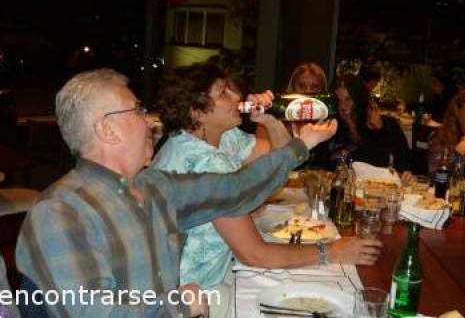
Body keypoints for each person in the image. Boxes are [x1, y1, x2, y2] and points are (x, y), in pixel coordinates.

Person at [15, 69, 336, 318]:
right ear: (106, 129)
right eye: (137, 110)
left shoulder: (154, 188)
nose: (152, 121)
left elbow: (236, 189)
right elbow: (92, 311)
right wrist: (178, 305)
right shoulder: (60, 211)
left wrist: (301, 145)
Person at [153, 63, 383, 317]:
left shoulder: (216, 136)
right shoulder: (205, 161)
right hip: (192, 294)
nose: (237, 96)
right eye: (223, 93)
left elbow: (282, 158)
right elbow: (255, 254)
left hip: (211, 274)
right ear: (197, 113)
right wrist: (333, 251)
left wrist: (269, 119)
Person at [332, 75, 414, 180]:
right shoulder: (333, 129)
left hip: (380, 190)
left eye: (348, 99)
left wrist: (407, 176)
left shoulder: (386, 125)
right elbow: (325, 167)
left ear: (360, 100)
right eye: (339, 101)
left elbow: (404, 167)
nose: (343, 106)